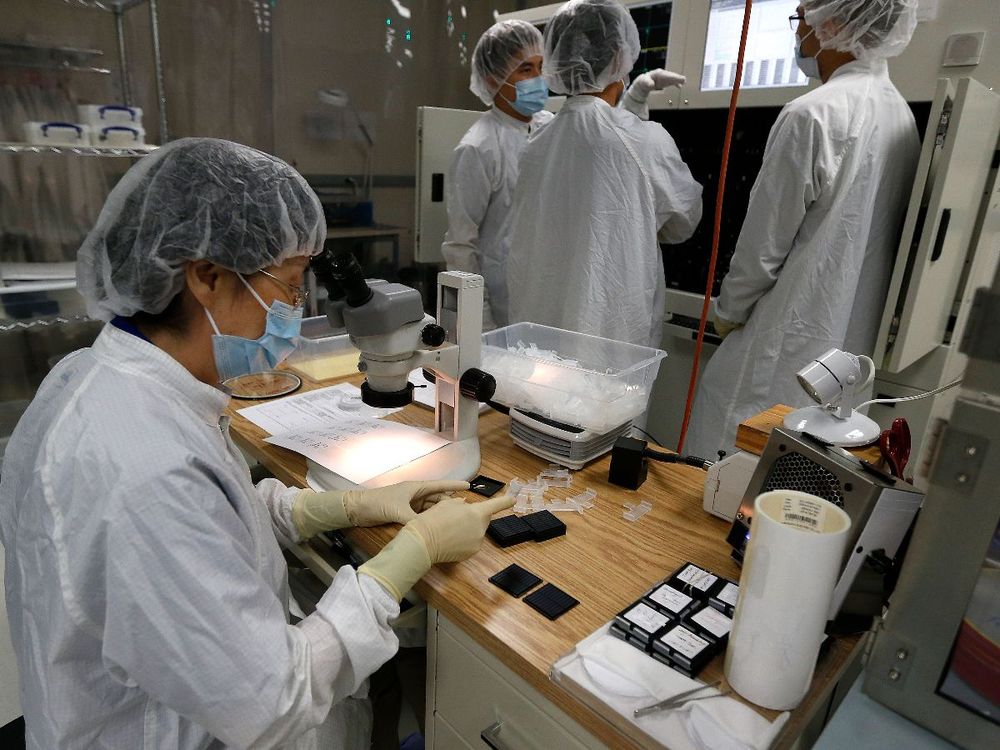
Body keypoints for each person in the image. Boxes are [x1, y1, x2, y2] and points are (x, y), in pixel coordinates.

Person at [0, 138, 512, 750]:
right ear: (208, 277)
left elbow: (213, 516)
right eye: (291, 286)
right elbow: (274, 702)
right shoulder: (144, 469)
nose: (297, 310)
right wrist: (404, 558)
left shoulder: (96, 380)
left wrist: (334, 508)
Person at [685, 0, 921, 460]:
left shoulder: (812, 113)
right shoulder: (902, 117)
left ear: (831, 23)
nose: (800, 34)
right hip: (843, 353)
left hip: (779, 347)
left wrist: (729, 309)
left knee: (724, 473)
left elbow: (762, 249)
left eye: (801, 19)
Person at [505, 0, 702, 349]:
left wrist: (634, 104)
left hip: (536, 345)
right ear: (618, 60)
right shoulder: (645, 140)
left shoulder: (535, 144)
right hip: (609, 349)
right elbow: (682, 222)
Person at [441, 20, 553, 331]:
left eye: (541, 67)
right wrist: (482, 324)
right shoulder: (479, 147)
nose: (538, 78)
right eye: (525, 70)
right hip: (505, 307)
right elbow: (462, 247)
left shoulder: (550, 128)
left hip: (550, 297)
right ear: (494, 79)